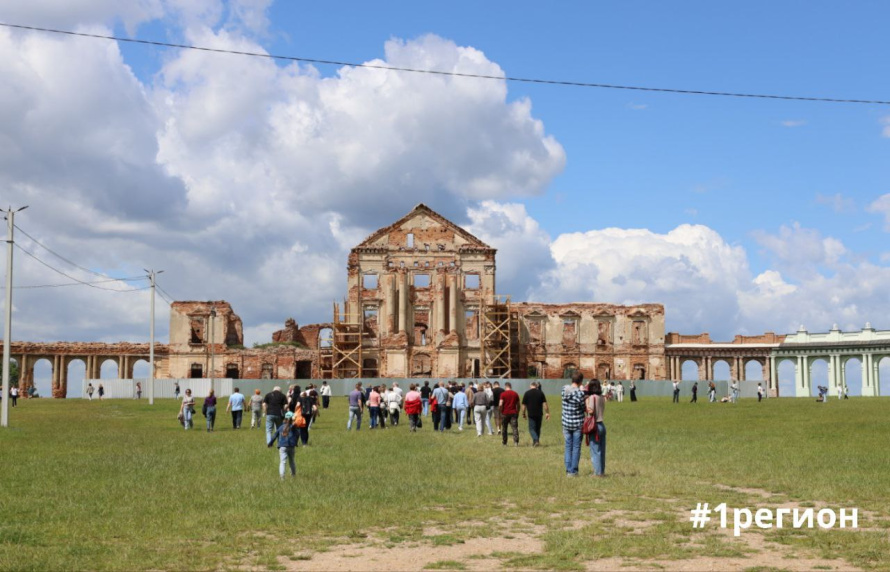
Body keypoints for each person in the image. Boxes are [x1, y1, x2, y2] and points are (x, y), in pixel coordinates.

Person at [561, 373, 586, 476]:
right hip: (577, 423)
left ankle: (568, 469)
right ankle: (573, 471)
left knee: (568, 446)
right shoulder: (580, 393)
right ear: (581, 381)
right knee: (576, 447)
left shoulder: (564, 389)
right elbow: (583, 407)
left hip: (566, 423)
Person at [585, 380, 607, 477]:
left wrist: (586, 403)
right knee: (602, 450)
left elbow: (590, 411)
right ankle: (601, 471)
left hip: (594, 426)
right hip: (601, 424)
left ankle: (597, 473)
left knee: (595, 450)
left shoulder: (592, 397)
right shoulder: (602, 397)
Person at [268, 411, 298, 479]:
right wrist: (295, 442)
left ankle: (282, 477)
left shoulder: (281, 427)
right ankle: (293, 476)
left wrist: (270, 443)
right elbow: (297, 434)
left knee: (282, 462)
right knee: (292, 461)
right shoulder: (293, 427)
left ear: (285, 418)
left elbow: (275, 435)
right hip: (291, 446)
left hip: (282, 446)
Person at [521, 381, 550, 447]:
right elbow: (545, 404)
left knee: (531, 429)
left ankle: (536, 440)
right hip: (539, 414)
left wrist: (523, 413)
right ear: (536, 386)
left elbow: (523, 405)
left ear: (530, 386)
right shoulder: (541, 393)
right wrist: (547, 413)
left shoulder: (527, 393)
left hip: (531, 414)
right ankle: (536, 442)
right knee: (537, 429)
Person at [499, 382, 520, 447]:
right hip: (513, 413)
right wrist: (517, 411)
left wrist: (501, 411)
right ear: (511, 386)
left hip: (505, 413)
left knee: (504, 428)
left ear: (505, 387)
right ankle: (516, 442)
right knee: (514, 428)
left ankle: (504, 443)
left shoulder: (503, 394)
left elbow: (500, 404)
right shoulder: (515, 393)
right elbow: (518, 404)